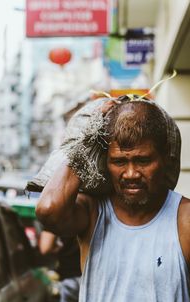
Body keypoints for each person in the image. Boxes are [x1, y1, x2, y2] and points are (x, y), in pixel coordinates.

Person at [35, 95, 190, 302]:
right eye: (119, 162)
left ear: (164, 159)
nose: (131, 174)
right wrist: (90, 137)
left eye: (143, 160)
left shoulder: (184, 219)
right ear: (105, 163)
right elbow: (49, 209)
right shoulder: (93, 212)